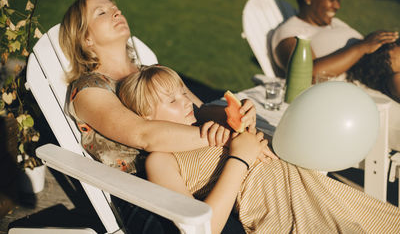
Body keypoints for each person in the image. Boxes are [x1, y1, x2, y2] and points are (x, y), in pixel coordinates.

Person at [59, 0, 258, 233]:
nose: (116, 12)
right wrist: (226, 139)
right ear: (85, 38)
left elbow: (201, 111)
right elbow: (144, 135)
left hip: (196, 168)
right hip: (144, 191)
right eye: (102, 12)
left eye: (115, 8)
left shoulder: (154, 73)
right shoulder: (90, 89)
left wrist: (237, 115)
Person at [118, 64, 400, 234]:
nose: (185, 103)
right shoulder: (161, 159)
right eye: (172, 101)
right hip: (287, 216)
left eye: (183, 93)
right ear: (145, 116)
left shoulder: (206, 129)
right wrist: (240, 156)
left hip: (319, 192)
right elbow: (200, 228)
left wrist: (247, 129)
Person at [271, 0, 399, 79]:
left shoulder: (335, 23)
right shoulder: (290, 31)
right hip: (358, 83)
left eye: (338, 0)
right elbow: (306, 76)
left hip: (377, 71)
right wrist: (362, 47)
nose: (337, 6)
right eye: (332, 0)